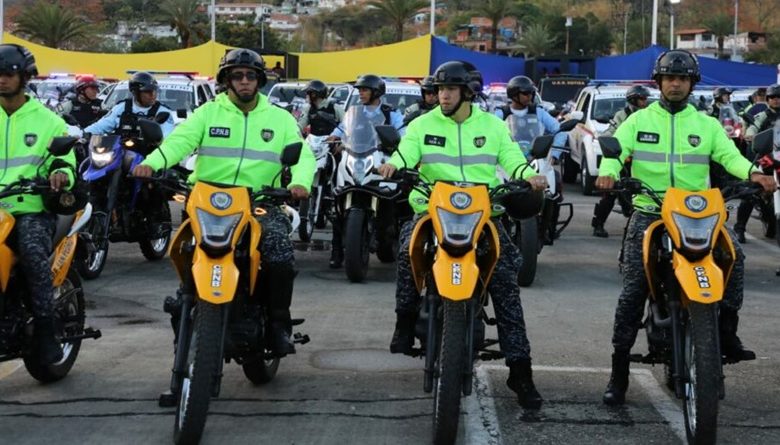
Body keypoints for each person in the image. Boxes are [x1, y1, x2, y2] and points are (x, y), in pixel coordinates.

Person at [596, 49, 776, 406]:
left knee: (735, 257)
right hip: (651, 211)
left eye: (682, 78)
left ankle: (727, 330)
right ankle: (619, 371)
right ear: (659, 82)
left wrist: (754, 173)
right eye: (669, 78)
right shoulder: (638, 120)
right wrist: (608, 173)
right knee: (633, 290)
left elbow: (729, 156)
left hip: (697, 212)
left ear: (692, 84)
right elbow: (615, 153)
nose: (675, 84)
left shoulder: (706, 124)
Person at [377, 61, 549, 409]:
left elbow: (512, 158)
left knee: (506, 283)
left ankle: (520, 372)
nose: (443, 96)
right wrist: (394, 165)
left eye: (450, 90)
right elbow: (406, 153)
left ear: (466, 93)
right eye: (440, 89)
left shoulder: (493, 126)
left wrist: (528, 175)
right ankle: (404, 323)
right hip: (432, 209)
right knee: (408, 250)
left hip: (483, 214)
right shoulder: (422, 124)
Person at [132, 48, 316, 356]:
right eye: (237, 76)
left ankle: (278, 324)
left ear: (259, 81)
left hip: (260, 203)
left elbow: (303, 155)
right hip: (207, 203)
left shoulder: (280, 119)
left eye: (250, 76)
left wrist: (300, 183)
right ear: (226, 80)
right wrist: (151, 163)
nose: (244, 81)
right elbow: (180, 141)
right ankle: (188, 303)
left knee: (280, 255)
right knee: (186, 251)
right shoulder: (207, 113)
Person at [0, 44, 77, 364]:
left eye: (9, 73)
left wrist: (60, 173)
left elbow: (65, 160)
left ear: (25, 77)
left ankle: (46, 330)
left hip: (29, 208)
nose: (2, 80)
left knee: (32, 253)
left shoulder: (48, 121)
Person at [327, 74, 404, 269]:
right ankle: (336, 250)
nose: (360, 93)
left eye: (364, 90)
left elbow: (402, 135)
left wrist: (397, 143)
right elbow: (342, 130)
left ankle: (390, 236)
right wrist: (333, 138)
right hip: (355, 157)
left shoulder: (392, 114)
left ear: (376, 92)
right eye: (359, 90)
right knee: (336, 201)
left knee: (392, 197)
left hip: (381, 161)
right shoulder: (354, 112)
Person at [496, 75, 568, 242]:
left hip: (536, 157)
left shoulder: (539, 112)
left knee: (555, 183)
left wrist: (554, 154)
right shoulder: (501, 114)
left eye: (531, 93)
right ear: (514, 95)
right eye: (526, 93)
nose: (530, 96)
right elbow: (489, 134)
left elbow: (559, 130)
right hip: (508, 161)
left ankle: (549, 228)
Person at [590, 85, 650, 238]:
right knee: (610, 193)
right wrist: (606, 140)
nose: (644, 102)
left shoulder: (650, 116)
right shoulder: (621, 115)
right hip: (622, 160)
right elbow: (611, 132)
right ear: (633, 100)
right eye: (641, 99)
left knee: (643, 195)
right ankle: (598, 224)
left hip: (641, 162)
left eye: (645, 99)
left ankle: (637, 228)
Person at [734, 83, 780, 242]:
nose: (776, 100)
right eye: (772, 97)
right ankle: (739, 228)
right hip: (767, 160)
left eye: (779, 97)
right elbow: (753, 128)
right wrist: (750, 135)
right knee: (751, 191)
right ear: (767, 99)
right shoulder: (763, 116)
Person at [84, 71, 175, 139]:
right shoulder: (121, 107)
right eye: (148, 91)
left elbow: (167, 135)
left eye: (155, 91)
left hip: (150, 154)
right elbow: (101, 126)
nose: (153, 95)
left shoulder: (163, 111)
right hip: (121, 153)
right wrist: (83, 134)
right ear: (135, 92)